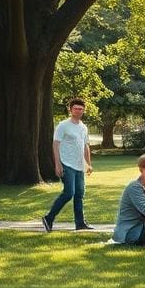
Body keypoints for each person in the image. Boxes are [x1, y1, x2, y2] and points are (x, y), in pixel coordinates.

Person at [41, 99, 94, 232]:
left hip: (79, 165)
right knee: (69, 193)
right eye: (75, 109)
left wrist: (88, 164)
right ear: (70, 110)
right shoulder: (63, 125)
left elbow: (86, 145)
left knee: (79, 194)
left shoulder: (83, 127)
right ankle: (49, 218)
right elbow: (56, 144)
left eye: (81, 109)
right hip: (66, 163)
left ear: (83, 110)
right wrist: (57, 164)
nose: (78, 111)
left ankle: (80, 223)